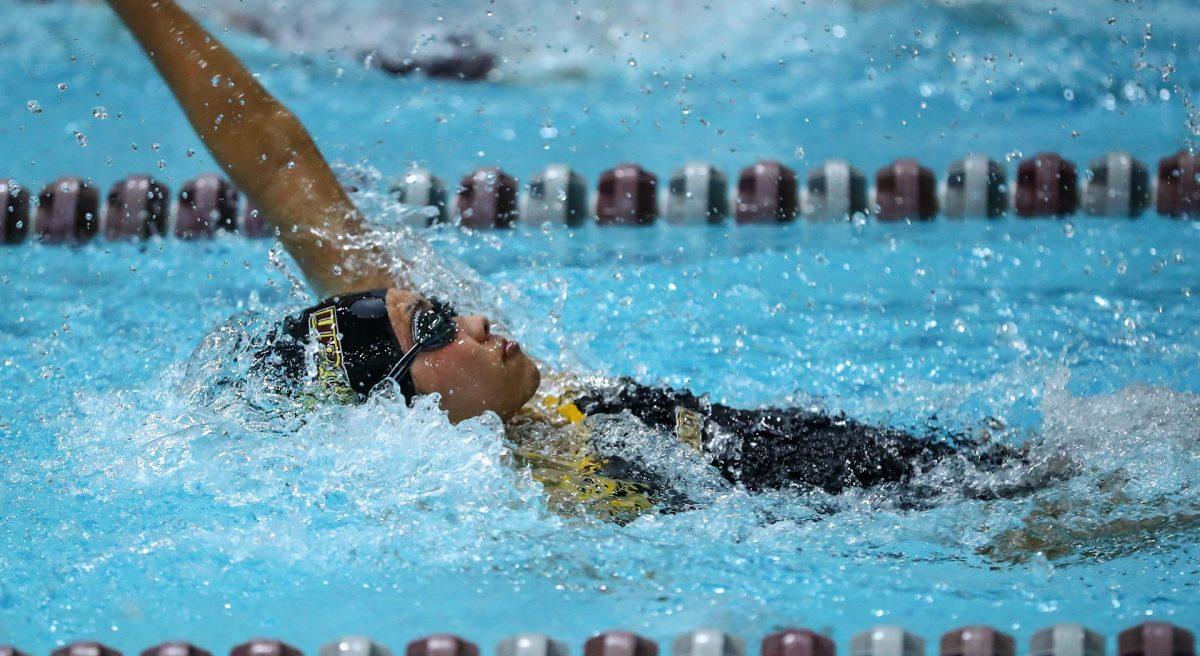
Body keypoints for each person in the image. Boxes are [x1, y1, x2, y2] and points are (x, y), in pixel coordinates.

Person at [105, 0, 1050, 522]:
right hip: (912, 512)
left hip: (908, 457)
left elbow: (270, 154)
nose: (466, 316)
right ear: (402, 408)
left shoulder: (477, 385)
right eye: (433, 329)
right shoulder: (529, 490)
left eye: (435, 305)